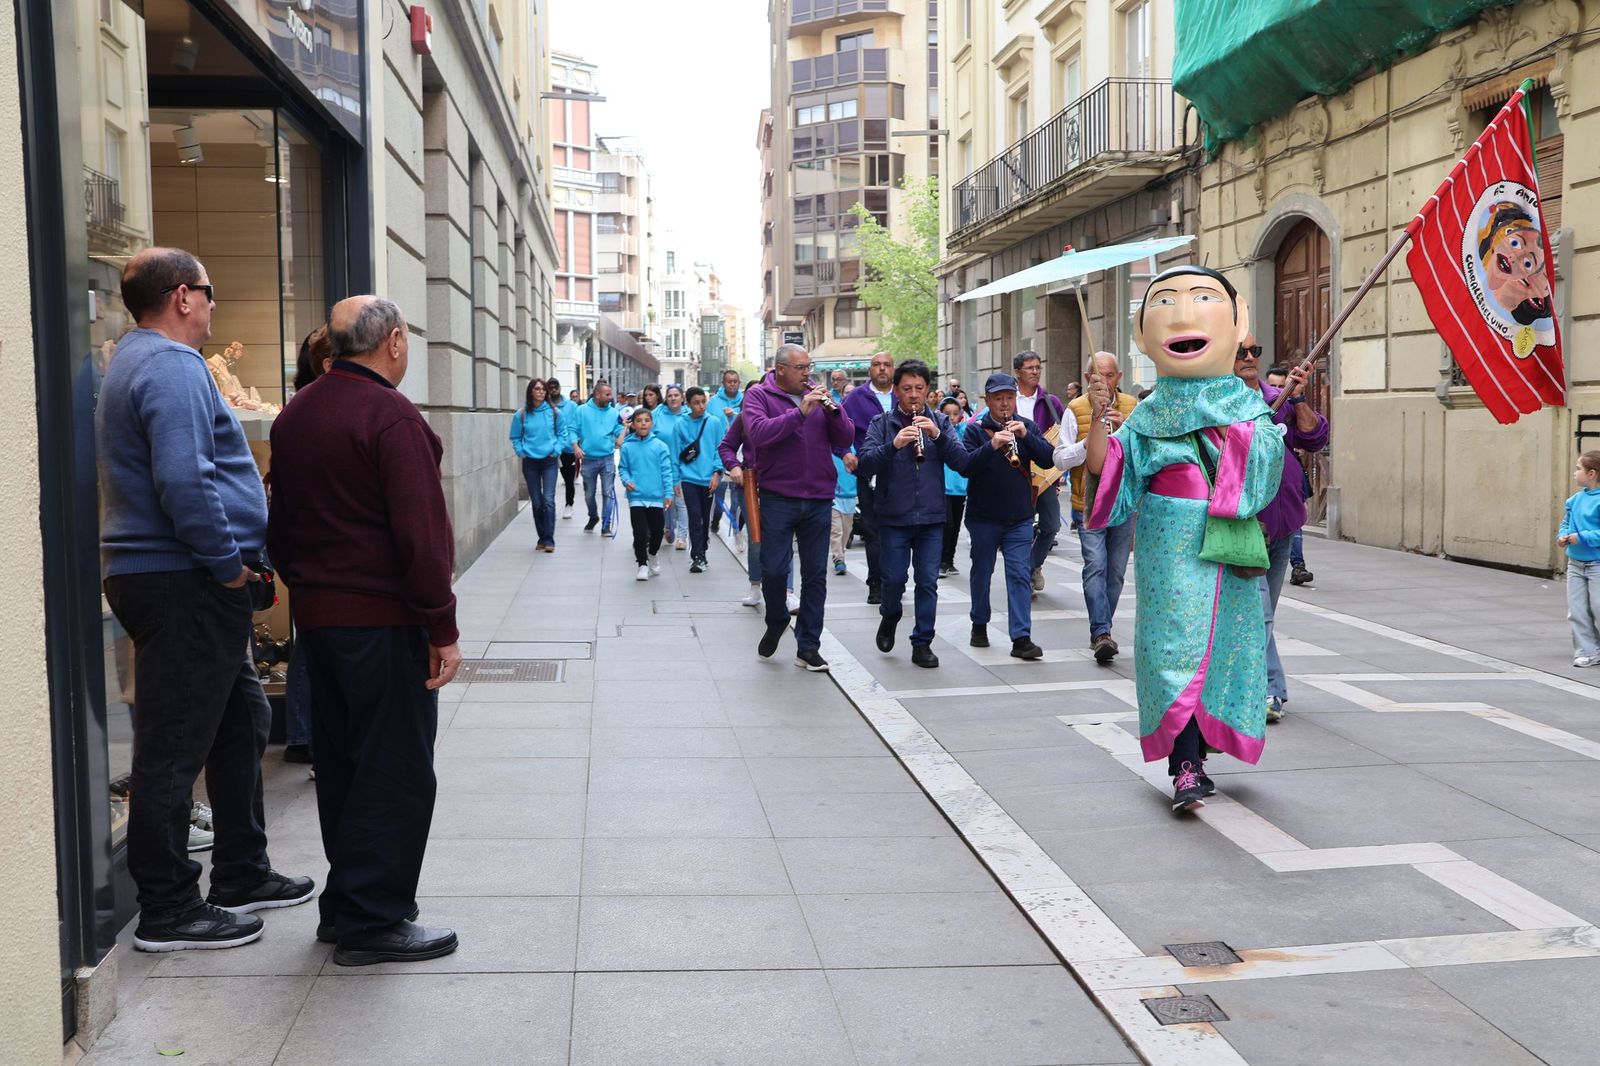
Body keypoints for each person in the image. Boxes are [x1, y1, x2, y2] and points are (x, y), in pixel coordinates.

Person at [99, 247, 313, 953]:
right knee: (173, 745)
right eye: (210, 293)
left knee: (241, 722)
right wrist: (228, 568)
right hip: (184, 578)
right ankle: (168, 908)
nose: (215, 306)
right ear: (184, 297)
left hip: (174, 574)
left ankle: (241, 871)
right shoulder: (170, 365)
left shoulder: (139, 360)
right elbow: (185, 481)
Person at [1083, 266, 1284, 812]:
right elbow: (1108, 474)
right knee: (1174, 646)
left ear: (1236, 319)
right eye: (1166, 300)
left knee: (1224, 647)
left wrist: (1254, 434)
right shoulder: (1146, 413)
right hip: (1168, 543)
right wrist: (1101, 411)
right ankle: (1185, 766)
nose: (1184, 312)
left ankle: (1205, 745)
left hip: (1228, 541)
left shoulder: (1245, 405)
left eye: (1202, 298)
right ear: (1143, 329)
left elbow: (1265, 471)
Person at [741, 343, 855, 670]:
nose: (808, 373)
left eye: (809, 366)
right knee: (774, 569)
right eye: (801, 368)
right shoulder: (759, 397)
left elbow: (845, 437)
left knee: (815, 575)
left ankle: (808, 645)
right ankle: (777, 618)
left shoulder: (819, 398)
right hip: (778, 497)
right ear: (780, 370)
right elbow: (760, 434)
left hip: (819, 498)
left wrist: (835, 410)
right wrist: (799, 412)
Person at [1237, 338, 1328, 722]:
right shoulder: (1219, 401)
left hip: (1285, 517)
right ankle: (1271, 691)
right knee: (1259, 615)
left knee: (1265, 613)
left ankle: (1251, 684)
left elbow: (1315, 437)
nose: (1249, 358)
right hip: (1246, 521)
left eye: (1254, 351)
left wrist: (1297, 400)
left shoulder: (1282, 395)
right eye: (1241, 351)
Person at [857, 359, 969, 669]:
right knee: (893, 579)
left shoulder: (941, 422)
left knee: (927, 582)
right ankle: (890, 616)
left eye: (919, 388)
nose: (914, 395)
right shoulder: (882, 423)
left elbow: (963, 462)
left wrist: (937, 435)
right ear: (895, 391)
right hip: (893, 517)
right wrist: (893, 445)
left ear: (928, 390)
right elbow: (865, 464)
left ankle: (922, 642)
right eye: (906, 389)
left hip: (932, 517)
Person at [961, 372, 1064, 659]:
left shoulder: (1026, 426)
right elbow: (966, 466)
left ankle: (1021, 637)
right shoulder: (974, 430)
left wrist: (1025, 435)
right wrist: (992, 445)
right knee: (982, 572)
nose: (1005, 404)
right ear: (988, 400)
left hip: (1019, 517)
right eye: (998, 398)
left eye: (1009, 398)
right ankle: (979, 623)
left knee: (1019, 575)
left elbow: (1048, 458)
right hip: (983, 517)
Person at [282, 326, 335, 768]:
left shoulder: (298, 411)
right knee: (315, 647)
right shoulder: (313, 411)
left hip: (306, 556)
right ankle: (309, 735)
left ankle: (306, 734)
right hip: (321, 557)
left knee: (309, 642)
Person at [1068, 352, 1140, 663]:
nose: (1105, 382)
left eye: (1110, 376)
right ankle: (1101, 632)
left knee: (1116, 572)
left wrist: (1126, 429)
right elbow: (1060, 458)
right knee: (1095, 564)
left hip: (1123, 502)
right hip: (1090, 502)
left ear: (1119, 378)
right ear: (1087, 379)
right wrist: (1089, 443)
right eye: (1098, 376)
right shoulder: (1075, 409)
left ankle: (1104, 627)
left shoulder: (1133, 407)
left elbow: (1143, 452)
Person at [721, 411, 798, 611]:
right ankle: (755, 584)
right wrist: (734, 466)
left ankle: (788, 591)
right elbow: (726, 446)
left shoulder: (789, 413)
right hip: (750, 485)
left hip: (783, 485)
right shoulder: (744, 417)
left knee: (784, 538)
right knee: (757, 539)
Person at [842, 351, 897, 605]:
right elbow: (838, 429)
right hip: (869, 473)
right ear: (870, 369)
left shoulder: (904, 394)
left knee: (898, 531)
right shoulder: (856, 398)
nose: (882, 369)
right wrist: (846, 453)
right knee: (873, 532)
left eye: (886, 365)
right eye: (877, 365)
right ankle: (875, 584)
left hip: (903, 474)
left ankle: (895, 580)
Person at [673, 386, 727, 573]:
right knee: (694, 517)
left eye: (703, 401)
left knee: (705, 517)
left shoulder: (714, 422)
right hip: (688, 478)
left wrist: (717, 473)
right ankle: (697, 555)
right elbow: (675, 453)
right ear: (687, 404)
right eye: (696, 403)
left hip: (708, 478)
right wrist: (675, 479)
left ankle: (702, 549)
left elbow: (720, 448)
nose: (701, 406)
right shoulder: (680, 424)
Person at [619, 407, 676, 581]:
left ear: (652, 423)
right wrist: (626, 481)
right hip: (636, 495)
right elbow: (623, 468)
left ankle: (652, 554)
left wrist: (668, 493)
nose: (643, 423)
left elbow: (667, 471)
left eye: (646, 420)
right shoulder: (627, 446)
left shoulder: (660, 446)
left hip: (656, 496)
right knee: (640, 532)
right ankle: (642, 564)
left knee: (658, 531)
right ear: (633, 424)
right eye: (639, 420)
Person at [510, 378, 565, 554]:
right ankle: (542, 537)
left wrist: (556, 450)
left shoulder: (555, 412)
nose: (541, 392)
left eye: (543, 389)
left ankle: (549, 539)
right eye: (537, 389)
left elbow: (562, 434)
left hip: (549, 460)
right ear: (530, 392)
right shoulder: (521, 414)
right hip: (530, 462)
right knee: (537, 501)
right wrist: (521, 451)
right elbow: (515, 436)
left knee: (548, 499)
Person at [1561, 452, 1600, 667]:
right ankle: (1587, 650)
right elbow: (1566, 523)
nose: (1575, 473)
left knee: (1598, 606)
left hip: (1597, 564)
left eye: (1578, 468)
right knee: (1576, 610)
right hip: (1575, 564)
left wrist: (1582, 537)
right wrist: (1563, 536)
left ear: (1591, 474)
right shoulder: (1575, 500)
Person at [572, 380, 625, 536]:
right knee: (589, 494)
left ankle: (606, 524)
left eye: (611, 394)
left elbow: (619, 431)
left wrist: (626, 428)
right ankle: (593, 516)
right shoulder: (581, 411)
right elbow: (572, 429)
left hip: (607, 458)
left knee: (608, 492)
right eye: (607, 394)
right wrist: (575, 447)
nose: (610, 397)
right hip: (588, 459)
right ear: (597, 394)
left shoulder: (614, 413)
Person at [656, 385, 691, 550]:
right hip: (661, 466)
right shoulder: (658, 413)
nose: (673, 398)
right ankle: (668, 527)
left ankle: (682, 537)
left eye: (676, 395)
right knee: (665, 501)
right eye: (670, 395)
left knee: (680, 502)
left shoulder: (688, 416)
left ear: (682, 398)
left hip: (684, 465)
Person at [711, 370, 744, 534]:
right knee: (720, 497)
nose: (732, 384)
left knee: (738, 499)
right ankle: (716, 519)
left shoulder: (745, 400)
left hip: (740, 457)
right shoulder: (714, 402)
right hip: (720, 455)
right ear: (723, 383)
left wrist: (735, 414)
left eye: (735, 381)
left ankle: (735, 525)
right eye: (729, 381)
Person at [939, 396, 969, 578]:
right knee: (946, 524)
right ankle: (941, 561)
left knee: (956, 525)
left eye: (955, 414)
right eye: (947, 414)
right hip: (943, 486)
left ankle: (950, 561)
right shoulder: (936, 433)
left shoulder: (966, 431)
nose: (951, 417)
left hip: (961, 486)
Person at [549, 378, 579, 520]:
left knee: (568, 479)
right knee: (549, 479)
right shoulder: (544, 406)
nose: (553, 389)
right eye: (551, 387)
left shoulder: (571, 406)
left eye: (556, 387)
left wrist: (576, 444)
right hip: (549, 449)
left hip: (567, 449)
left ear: (560, 388)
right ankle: (549, 506)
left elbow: (577, 425)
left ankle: (569, 504)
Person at [832, 446, 858, 577]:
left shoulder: (855, 450)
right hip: (834, 497)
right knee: (836, 530)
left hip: (850, 497)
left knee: (846, 530)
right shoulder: (831, 449)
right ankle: (838, 559)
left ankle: (841, 552)